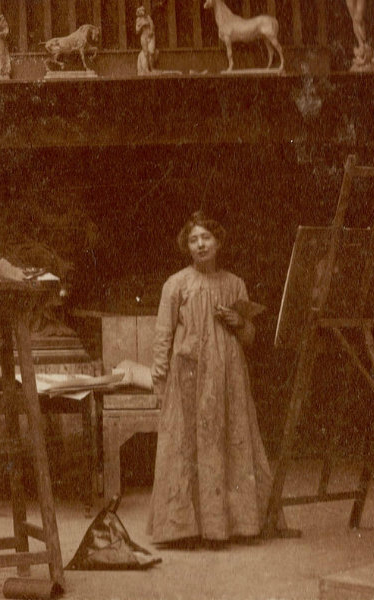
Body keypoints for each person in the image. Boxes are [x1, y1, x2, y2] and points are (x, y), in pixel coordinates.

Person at [148, 211, 275, 546]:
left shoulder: (234, 284)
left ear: (218, 242)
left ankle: (233, 525)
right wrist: (160, 378)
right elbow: (162, 334)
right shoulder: (176, 284)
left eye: (206, 238)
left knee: (229, 441)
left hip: (229, 377)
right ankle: (185, 529)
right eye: (194, 240)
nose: (201, 244)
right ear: (187, 246)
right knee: (188, 444)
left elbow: (249, 338)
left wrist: (238, 321)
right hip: (190, 375)